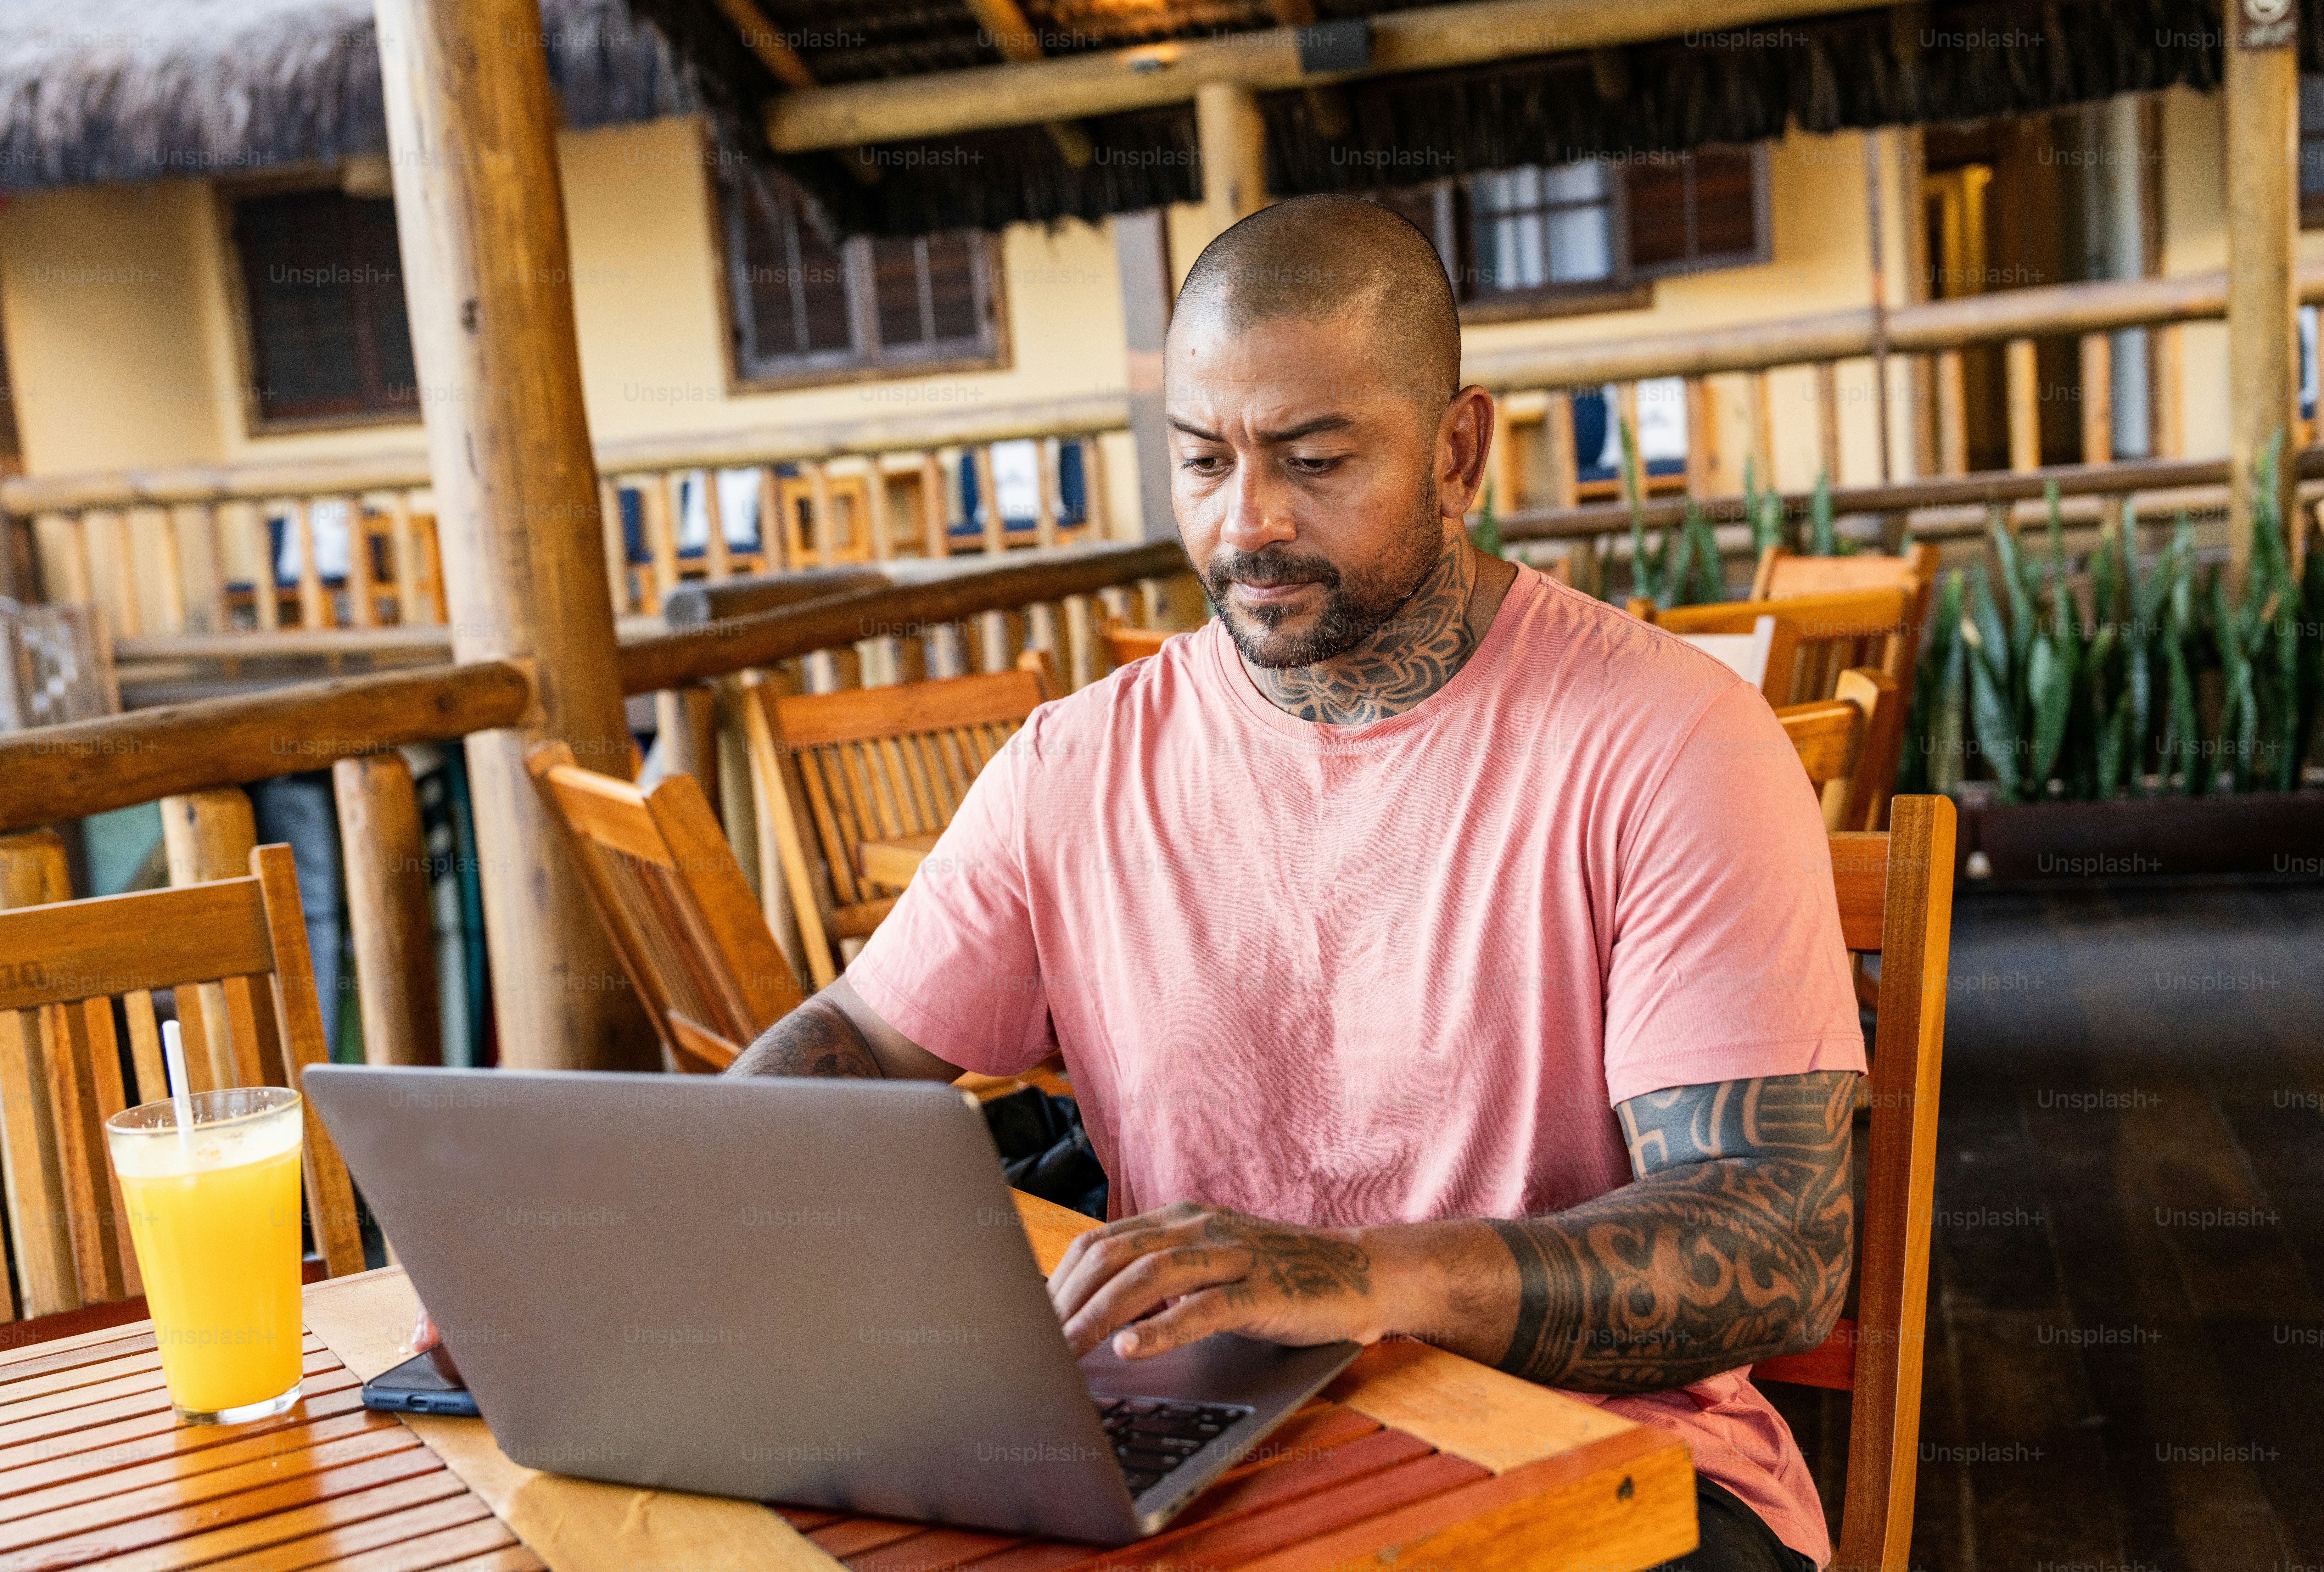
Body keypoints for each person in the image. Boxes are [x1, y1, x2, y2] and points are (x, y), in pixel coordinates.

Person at [726, 194, 1862, 1572]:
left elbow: (1775, 1236)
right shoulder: (1075, 763)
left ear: (1456, 453)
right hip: (1205, 1439)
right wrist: (652, 1236)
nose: (1245, 521)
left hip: (1603, 1458)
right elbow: (855, 1041)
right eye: (1201, 460)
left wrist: (1365, 1274)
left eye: (1313, 459)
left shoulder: (1669, 741)